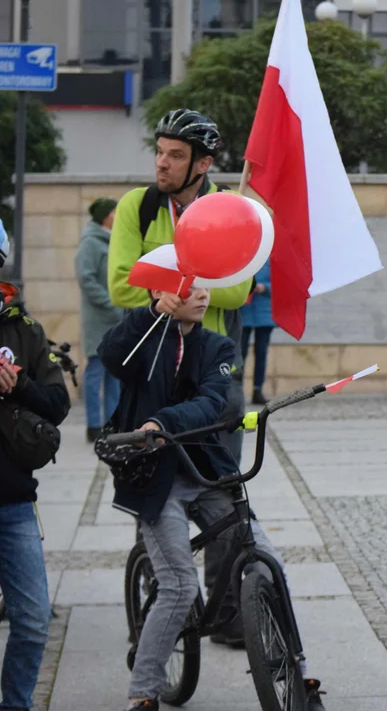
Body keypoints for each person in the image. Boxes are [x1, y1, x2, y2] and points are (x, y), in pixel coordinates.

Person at [98, 286, 327, 711]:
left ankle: (295, 671)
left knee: (268, 563)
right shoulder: (146, 337)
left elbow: (211, 402)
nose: (203, 295)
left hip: (206, 471)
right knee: (179, 585)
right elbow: (111, 355)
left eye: (205, 286)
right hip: (155, 478)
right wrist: (149, 313)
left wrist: (161, 421)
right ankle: (144, 692)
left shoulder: (218, 345)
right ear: (162, 291)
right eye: (190, 288)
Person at [107, 108, 250, 648]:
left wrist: (179, 280)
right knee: (152, 492)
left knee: (224, 492)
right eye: (160, 152)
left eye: (175, 155)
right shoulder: (137, 207)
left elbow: (239, 289)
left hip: (212, 374)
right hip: (153, 373)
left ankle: (228, 609)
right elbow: (121, 283)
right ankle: (156, 595)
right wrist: (165, 291)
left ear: (202, 164)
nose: (162, 162)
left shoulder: (228, 209)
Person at [0, 219, 71, 711]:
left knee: (32, 619)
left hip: (13, 500)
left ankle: (16, 704)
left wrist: (18, 387)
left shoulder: (23, 329)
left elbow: (57, 403)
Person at [76, 197, 124, 442]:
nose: (117, 216)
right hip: (98, 320)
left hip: (114, 319)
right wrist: (110, 302)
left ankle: (111, 424)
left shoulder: (111, 240)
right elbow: (87, 280)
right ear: (105, 215)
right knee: (95, 371)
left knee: (114, 373)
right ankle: (94, 426)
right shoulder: (90, 243)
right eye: (114, 211)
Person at [239, 260, 274, 405]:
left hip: (264, 312)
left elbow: (281, 283)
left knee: (261, 353)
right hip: (243, 312)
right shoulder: (244, 258)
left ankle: (257, 389)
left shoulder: (270, 261)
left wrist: (264, 287)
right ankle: (237, 388)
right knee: (240, 353)